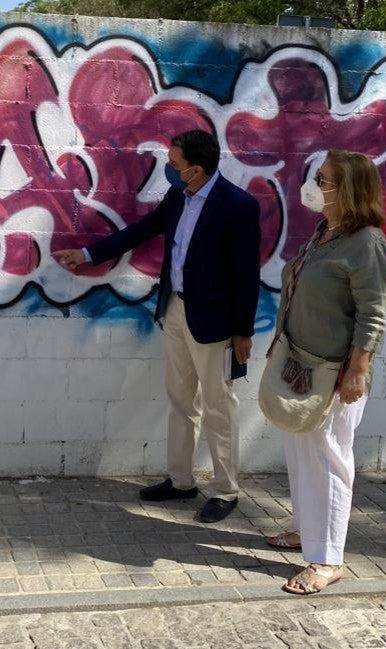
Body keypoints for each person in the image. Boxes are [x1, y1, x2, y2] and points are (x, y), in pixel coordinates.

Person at [54, 129, 262, 523]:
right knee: (182, 401)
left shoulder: (238, 206)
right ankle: (181, 481)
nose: (168, 169)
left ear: (196, 170)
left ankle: (226, 490)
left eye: (174, 165)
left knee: (219, 407)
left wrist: (242, 331)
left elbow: (245, 274)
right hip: (176, 309)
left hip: (215, 323)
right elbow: (142, 232)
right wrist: (87, 254)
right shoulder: (177, 197)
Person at [263, 149, 386, 595]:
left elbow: (373, 314)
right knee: (301, 449)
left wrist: (357, 370)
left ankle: (327, 559)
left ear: (349, 189)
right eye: (318, 177)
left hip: (335, 373)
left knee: (329, 458)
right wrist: (280, 339)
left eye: (323, 179)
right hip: (300, 363)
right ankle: (305, 530)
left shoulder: (368, 245)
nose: (315, 185)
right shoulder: (325, 233)